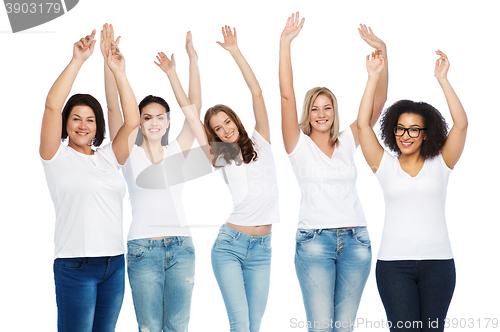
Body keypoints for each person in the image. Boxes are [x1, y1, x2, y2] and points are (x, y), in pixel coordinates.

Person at [279, 12, 388, 332]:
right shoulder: (297, 144)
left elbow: (379, 101)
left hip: (357, 241)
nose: (321, 114)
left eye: (327, 107)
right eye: (315, 108)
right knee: (321, 327)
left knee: (344, 327)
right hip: (314, 242)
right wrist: (284, 43)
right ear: (307, 113)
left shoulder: (348, 139)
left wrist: (383, 55)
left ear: (334, 111)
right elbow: (286, 95)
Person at [357, 49, 467, 332]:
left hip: (439, 265)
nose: (406, 136)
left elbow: (462, 124)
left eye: (414, 129)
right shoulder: (385, 166)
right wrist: (372, 77)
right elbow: (362, 126)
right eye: (400, 129)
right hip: (394, 266)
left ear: (426, 133)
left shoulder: (441, 164)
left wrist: (442, 79)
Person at [102, 24, 202, 332]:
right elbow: (113, 108)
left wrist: (189, 62)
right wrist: (109, 64)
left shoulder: (177, 151)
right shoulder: (130, 153)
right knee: (149, 327)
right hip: (142, 248)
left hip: (181, 248)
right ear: (141, 123)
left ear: (168, 121)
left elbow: (194, 109)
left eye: (160, 117)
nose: (154, 122)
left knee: (177, 326)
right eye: (147, 117)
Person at [40, 29, 140, 332]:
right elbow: (52, 106)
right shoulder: (55, 156)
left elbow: (133, 120)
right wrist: (77, 60)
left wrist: (118, 71)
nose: (83, 125)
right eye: (76, 118)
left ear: (97, 126)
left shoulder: (109, 157)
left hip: (114, 264)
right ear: (66, 123)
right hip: (75, 265)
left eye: (90, 119)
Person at [202, 25, 280, 332]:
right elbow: (193, 121)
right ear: (215, 136)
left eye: (227, 122)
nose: (225, 130)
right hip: (230, 246)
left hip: (263, 248)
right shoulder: (223, 156)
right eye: (218, 129)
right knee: (240, 325)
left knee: (254, 326)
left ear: (235, 119)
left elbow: (257, 92)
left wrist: (235, 51)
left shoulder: (261, 140)